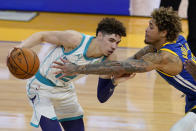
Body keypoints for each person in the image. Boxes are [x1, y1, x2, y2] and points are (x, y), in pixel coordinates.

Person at [52, 7, 196, 131]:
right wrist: (113, 81)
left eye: (151, 27)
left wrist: (77, 68)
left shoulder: (163, 57)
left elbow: (119, 67)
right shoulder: (171, 40)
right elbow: (130, 62)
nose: (146, 29)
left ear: (164, 32)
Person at [11, 17, 129, 131]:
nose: (114, 46)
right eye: (111, 40)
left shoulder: (109, 59)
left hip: (65, 91)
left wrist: (115, 82)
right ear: (99, 35)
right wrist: (19, 48)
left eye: (117, 42)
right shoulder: (74, 39)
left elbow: (102, 97)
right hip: (41, 87)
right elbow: (41, 36)